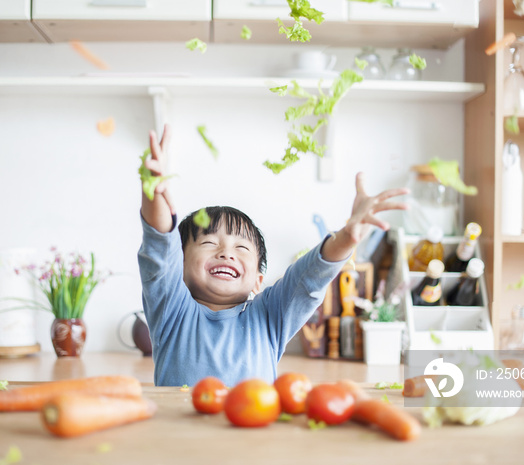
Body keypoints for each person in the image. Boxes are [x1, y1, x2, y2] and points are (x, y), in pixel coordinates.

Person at [138, 125, 409, 387]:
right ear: (181, 268)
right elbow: (160, 252)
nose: (226, 253)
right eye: (209, 242)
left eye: (241, 248)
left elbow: (308, 280)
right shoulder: (171, 310)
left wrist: (346, 238)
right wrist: (154, 192)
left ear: (258, 280)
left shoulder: (269, 316)